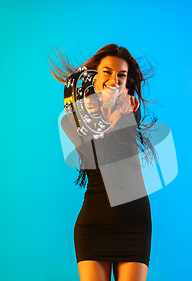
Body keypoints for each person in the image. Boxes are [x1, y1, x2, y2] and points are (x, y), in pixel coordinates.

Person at [49, 44, 158, 281]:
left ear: (127, 81)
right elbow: (96, 159)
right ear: (93, 76)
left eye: (121, 75)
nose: (114, 79)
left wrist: (121, 116)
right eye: (107, 72)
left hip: (134, 223)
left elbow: (120, 157)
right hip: (94, 225)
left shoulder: (132, 110)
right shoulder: (72, 120)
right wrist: (85, 115)